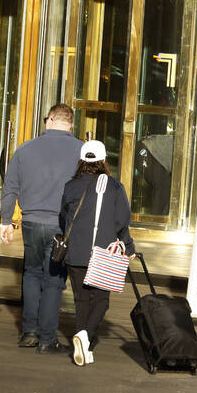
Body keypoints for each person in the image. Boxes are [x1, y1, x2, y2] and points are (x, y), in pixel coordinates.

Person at [0, 103, 82, 354]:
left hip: (32, 222)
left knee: (32, 274)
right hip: (61, 225)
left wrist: (6, 221)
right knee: (54, 280)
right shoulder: (81, 151)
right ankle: (47, 338)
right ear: (70, 124)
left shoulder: (24, 150)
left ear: (49, 121)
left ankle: (29, 332)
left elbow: (10, 188)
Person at [60, 140, 136, 367]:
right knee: (101, 300)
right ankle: (85, 337)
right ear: (103, 161)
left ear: (82, 161)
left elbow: (63, 218)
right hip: (103, 253)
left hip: (75, 252)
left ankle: (85, 346)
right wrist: (129, 247)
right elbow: (121, 221)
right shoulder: (114, 187)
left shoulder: (70, 186)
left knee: (81, 300)